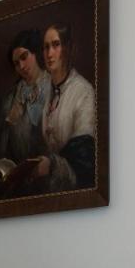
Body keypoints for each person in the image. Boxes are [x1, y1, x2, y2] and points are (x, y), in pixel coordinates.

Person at [31, 22, 96, 192]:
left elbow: (84, 159)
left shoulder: (83, 91)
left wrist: (52, 165)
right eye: (46, 47)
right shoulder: (45, 92)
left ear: (67, 48)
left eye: (56, 45)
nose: (49, 54)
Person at [0, 29, 49, 166]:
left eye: (24, 57)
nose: (21, 66)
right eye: (16, 63)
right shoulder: (11, 98)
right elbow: (1, 147)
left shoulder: (53, 87)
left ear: (34, 53)